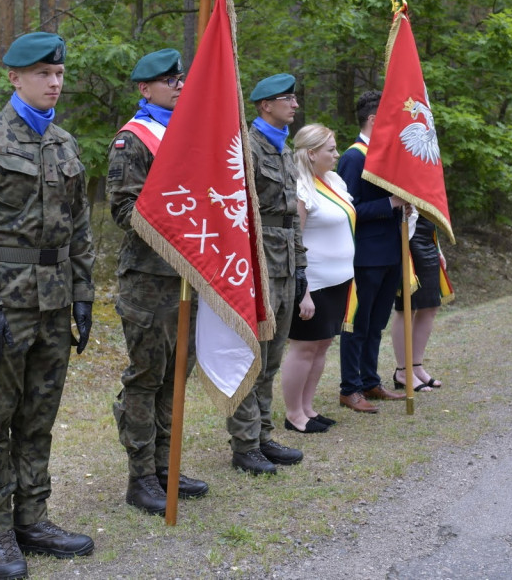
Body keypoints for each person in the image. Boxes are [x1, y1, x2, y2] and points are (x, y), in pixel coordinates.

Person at [0, 31, 96, 580]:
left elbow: (80, 228)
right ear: (15, 77)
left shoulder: (66, 144)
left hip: (54, 305)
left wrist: (83, 296)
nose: (54, 83)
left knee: (38, 418)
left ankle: (33, 519)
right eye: (42, 74)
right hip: (3, 306)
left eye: (59, 75)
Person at [106, 48, 209, 516]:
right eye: (168, 81)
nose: (179, 86)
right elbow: (124, 211)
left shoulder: (187, 135)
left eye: (181, 79)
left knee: (176, 375)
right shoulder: (133, 140)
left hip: (188, 276)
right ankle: (141, 477)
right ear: (145, 88)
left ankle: (167, 467)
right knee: (147, 377)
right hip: (149, 278)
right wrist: (179, 223)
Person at [227, 73, 306, 475]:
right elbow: (236, 213)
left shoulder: (284, 150)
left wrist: (302, 266)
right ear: (265, 106)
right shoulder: (246, 148)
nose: (294, 105)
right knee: (251, 357)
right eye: (286, 99)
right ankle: (244, 444)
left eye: (294, 98)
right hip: (255, 265)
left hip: (285, 265)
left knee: (272, 358)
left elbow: (291, 214)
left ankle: (262, 435)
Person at [337, 89, 407, 414]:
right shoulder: (354, 156)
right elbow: (347, 209)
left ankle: (370, 381)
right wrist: (390, 204)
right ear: (373, 119)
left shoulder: (385, 154)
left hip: (390, 252)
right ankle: (349, 388)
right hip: (365, 255)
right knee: (357, 325)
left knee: (377, 323)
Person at [280, 124, 354, 433]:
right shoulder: (300, 188)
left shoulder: (333, 180)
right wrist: (304, 291)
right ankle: (293, 413)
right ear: (311, 154)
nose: (337, 155)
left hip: (339, 281)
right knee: (304, 347)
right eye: (331, 150)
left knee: (323, 345)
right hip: (314, 284)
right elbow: (295, 243)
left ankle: (308, 408)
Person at [390, 214, 446, 391]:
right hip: (404, 235)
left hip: (427, 236)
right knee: (406, 307)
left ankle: (416, 366)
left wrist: (438, 248)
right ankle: (402, 371)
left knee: (430, 306)